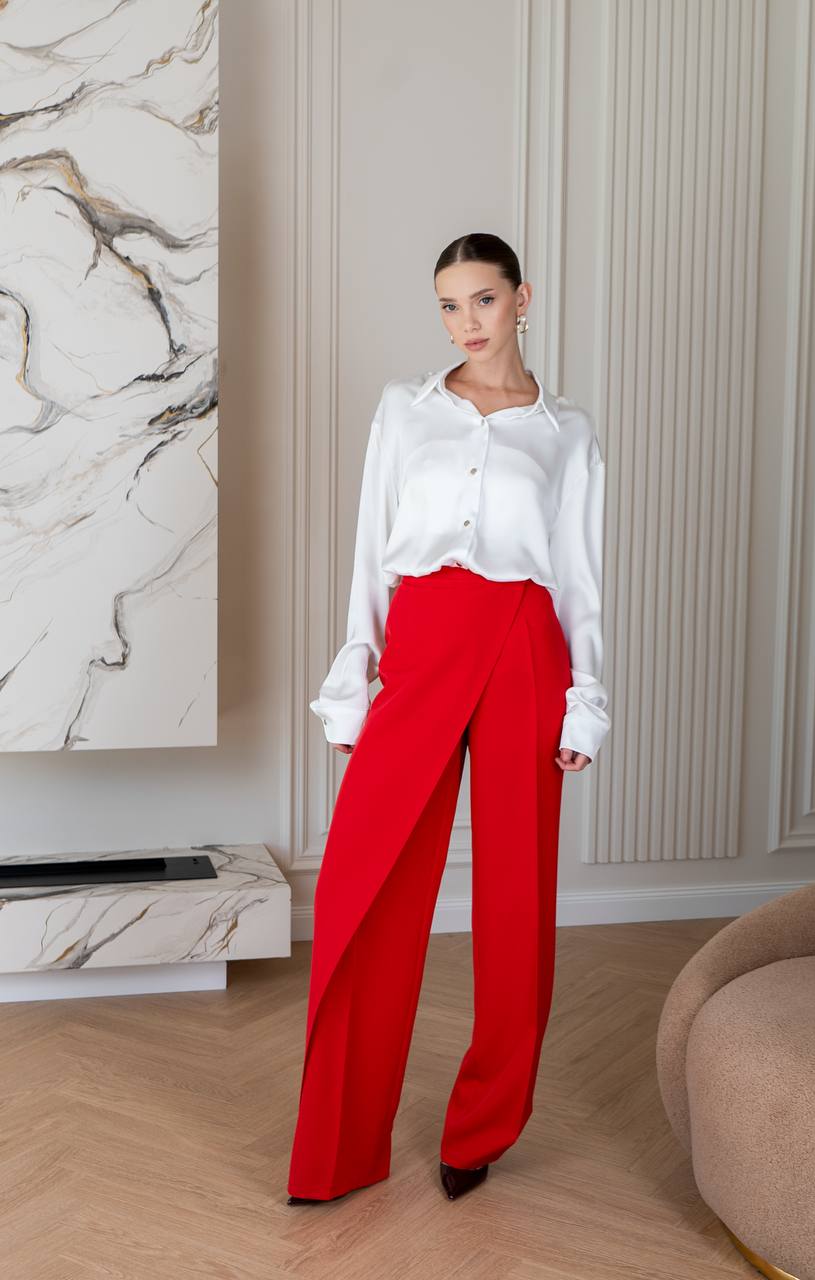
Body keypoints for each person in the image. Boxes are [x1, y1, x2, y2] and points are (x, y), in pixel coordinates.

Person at [287, 231, 611, 1205]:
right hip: (423, 638)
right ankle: (338, 1142)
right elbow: (366, 551)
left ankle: (480, 1126)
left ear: (522, 299)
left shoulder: (567, 431)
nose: (463, 321)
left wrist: (583, 697)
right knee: (364, 884)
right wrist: (354, 675)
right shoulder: (405, 411)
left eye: (480, 299)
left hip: (523, 643)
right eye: (446, 304)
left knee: (517, 904)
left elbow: (581, 581)